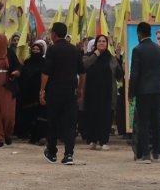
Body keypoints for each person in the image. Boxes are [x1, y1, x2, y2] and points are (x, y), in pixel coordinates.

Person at [40, 23, 85, 165]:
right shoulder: (74, 50)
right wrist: (80, 89)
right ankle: (69, 155)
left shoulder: (52, 50)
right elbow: (83, 73)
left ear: (54, 34)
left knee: (52, 122)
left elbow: (46, 73)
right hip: (70, 91)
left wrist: (42, 90)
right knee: (70, 124)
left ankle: (52, 153)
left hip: (54, 91)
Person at [128, 22, 160, 163]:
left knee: (143, 123)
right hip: (157, 91)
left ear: (139, 33)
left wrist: (130, 93)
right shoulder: (159, 49)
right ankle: (156, 153)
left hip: (143, 92)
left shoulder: (137, 50)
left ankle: (145, 155)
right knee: (156, 122)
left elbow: (135, 73)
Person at [82, 34, 123, 150]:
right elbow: (84, 66)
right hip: (92, 92)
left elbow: (119, 76)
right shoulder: (88, 56)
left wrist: (119, 58)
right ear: (95, 44)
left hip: (107, 93)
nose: (101, 43)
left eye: (104, 41)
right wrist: (95, 55)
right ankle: (93, 140)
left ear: (106, 44)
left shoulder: (111, 58)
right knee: (92, 116)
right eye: (99, 41)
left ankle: (103, 141)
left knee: (105, 117)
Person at [16, 40, 47, 144]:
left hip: (39, 91)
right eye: (33, 49)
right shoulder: (27, 62)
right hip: (28, 93)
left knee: (40, 115)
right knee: (28, 114)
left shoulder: (44, 62)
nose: (35, 51)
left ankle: (39, 136)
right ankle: (29, 135)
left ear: (41, 50)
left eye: (37, 49)